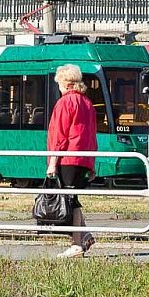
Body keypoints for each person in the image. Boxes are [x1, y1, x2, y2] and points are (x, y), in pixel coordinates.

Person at [46, 64, 98, 258]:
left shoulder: (65, 103)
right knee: (72, 198)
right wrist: (92, 163)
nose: (58, 87)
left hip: (68, 156)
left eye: (59, 83)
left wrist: (52, 161)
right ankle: (84, 236)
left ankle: (77, 243)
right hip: (83, 157)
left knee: (70, 200)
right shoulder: (87, 103)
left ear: (66, 84)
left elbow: (59, 135)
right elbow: (91, 134)